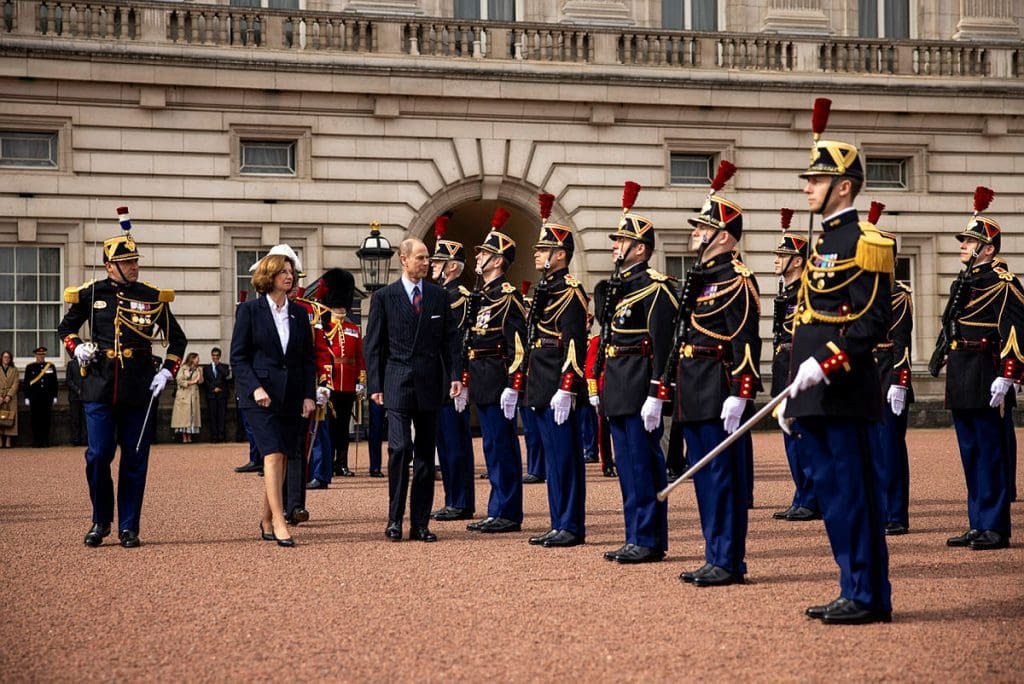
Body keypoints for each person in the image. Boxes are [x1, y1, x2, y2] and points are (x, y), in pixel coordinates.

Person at [778, 111, 894, 624]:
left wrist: (824, 365)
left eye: (817, 180)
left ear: (843, 186)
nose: (808, 187)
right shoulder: (822, 244)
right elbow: (808, 321)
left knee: (854, 496)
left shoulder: (866, 242)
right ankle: (851, 586)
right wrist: (791, 393)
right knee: (832, 497)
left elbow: (871, 322)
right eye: (808, 179)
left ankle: (868, 595)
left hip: (844, 391)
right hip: (815, 395)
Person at [57, 207, 187, 548]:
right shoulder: (92, 293)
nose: (133, 267)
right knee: (98, 455)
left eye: (135, 261)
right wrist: (77, 348)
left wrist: (167, 371)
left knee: (135, 458)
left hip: (139, 387)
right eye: (126, 262)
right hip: (99, 385)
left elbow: (178, 339)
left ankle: (129, 526)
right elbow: (65, 328)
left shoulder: (151, 296)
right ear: (108, 266)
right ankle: (101, 520)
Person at [659, 164, 762, 586]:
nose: (696, 233)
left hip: (718, 391)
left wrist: (741, 392)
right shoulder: (700, 280)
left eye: (703, 227)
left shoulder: (737, 280)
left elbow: (746, 342)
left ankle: (728, 560)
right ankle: (713, 553)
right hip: (693, 390)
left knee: (723, 478)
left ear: (722, 236)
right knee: (704, 478)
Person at [936, 189, 1023, 552]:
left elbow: (1016, 331)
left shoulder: (1004, 284)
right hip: (961, 373)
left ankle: (995, 527)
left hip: (987, 373)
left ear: (987, 248)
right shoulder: (964, 283)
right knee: (971, 453)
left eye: (970, 241)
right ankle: (978, 523)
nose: (963, 246)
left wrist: (1008, 374)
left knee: (990, 453)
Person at [597, 182, 678, 565]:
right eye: (616, 241)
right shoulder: (619, 288)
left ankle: (648, 539)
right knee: (627, 469)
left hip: (640, 386)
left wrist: (657, 394)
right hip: (617, 385)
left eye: (623, 241)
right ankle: (635, 534)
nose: (616, 246)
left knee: (644, 466)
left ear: (641, 249)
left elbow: (664, 348)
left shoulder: (656, 290)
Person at [365, 237, 463, 543]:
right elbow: (374, 344)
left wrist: (455, 375)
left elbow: (450, 340)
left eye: (427, 258)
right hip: (397, 381)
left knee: (424, 456)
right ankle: (394, 519)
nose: (426, 263)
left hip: (430, 382)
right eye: (420, 257)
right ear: (403, 259)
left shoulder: (438, 295)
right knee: (399, 448)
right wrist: (375, 385)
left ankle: (420, 523)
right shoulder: (384, 297)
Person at [231, 246, 315, 547]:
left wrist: (308, 395)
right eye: (283, 272)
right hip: (259, 396)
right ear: (269, 276)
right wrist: (255, 388)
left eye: (291, 272)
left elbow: (307, 359)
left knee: (284, 455)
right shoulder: (249, 311)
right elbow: (238, 357)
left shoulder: (299, 313)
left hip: (291, 394)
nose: (289, 276)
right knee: (273, 453)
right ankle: (280, 520)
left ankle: (267, 518)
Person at [520, 196, 589, 548]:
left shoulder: (571, 292)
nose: (536, 253)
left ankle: (571, 525)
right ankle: (558, 521)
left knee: (566, 459)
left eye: (543, 249)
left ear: (560, 254)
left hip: (558, 386)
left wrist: (567, 387)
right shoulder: (546, 289)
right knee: (552, 459)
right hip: (541, 382)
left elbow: (575, 344)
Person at [463, 214, 528, 534]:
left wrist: (513, 385)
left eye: (484, 254)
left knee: (502, 447)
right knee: (491, 447)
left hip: (498, 379)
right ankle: (496, 508)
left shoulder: (508, 297)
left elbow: (519, 347)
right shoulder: (483, 297)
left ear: (498, 260)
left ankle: (508, 511)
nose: (477, 258)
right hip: (482, 378)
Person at [768, 209, 820, 523]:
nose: (776, 260)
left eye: (782, 256)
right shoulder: (786, 292)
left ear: (797, 261)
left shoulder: (806, 292)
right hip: (783, 367)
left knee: (802, 435)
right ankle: (801, 494)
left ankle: (811, 498)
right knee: (790, 435)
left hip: (798, 370)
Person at [867, 209, 914, 536]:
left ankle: (895, 513)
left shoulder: (898, 296)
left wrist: (900, 382)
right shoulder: (864, 295)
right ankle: (876, 509)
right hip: (866, 380)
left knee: (889, 450)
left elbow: (902, 344)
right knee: (869, 450)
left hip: (888, 378)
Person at [427, 221, 476, 520]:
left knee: (455, 443)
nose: (433, 265)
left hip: (452, 379)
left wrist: (461, 377)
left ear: (453, 266)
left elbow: (458, 342)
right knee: (444, 444)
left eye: (439, 261)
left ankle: (460, 501)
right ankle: (453, 499)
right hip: (440, 377)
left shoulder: (459, 297)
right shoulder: (439, 294)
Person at [312, 268, 365, 487]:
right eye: (338, 306)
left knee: (344, 427)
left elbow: (359, 357)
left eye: (343, 306)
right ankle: (328, 463)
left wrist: (361, 380)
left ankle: (341, 463)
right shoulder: (324, 328)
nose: (341, 310)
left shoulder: (353, 328)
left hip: (349, 385)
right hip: (331, 384)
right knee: (330, 427)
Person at [24, 346, 58, 448]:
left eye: (42, 355)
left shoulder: (50, 366)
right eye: (39, 355)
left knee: (46, 419)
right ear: (36, 356)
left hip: (47, 397)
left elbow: (54, 382)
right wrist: (27, 397)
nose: (41, 357)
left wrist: (55, 396)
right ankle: (36, 441)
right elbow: (26, 383)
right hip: (34, 397)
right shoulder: (30, 367)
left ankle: (45, 441)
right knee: (35, 420)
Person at [171, 352, 203, 443]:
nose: (198, 360)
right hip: (184, 395)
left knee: (192, 415)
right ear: (192, 359)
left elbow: (200, 381)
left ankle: (190, 436)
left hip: (193, 395)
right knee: (184, 417)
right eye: (197, 358)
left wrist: (199, 374)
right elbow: (179, 380)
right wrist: (191, 382)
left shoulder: (198, 369)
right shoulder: (183, 368)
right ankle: (184, 436)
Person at [202, 347, 231, 443]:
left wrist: (218, 366)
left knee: (222, 416)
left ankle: (221, 436)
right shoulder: (206, 368)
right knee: (212, 417)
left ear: (219, 356)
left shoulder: (224, 366)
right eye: (214, 355)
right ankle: (214, 437)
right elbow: (206, 381)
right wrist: (213, 388)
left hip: (222, 395)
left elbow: (226, 375)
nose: (215, 357)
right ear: (211, 356)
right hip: (211, 395)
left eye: (217, 355)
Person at [66, 356, 87, 446]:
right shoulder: (71, 364)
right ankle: (75, 439)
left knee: (85, 419)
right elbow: (69, 380)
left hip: (86, 396)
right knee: (75, 419)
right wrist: (77, 390)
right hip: (74, 396)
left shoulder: (87, 363)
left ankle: (85, 439)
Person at [0, 351, 18, 448]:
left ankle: (8, 439)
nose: (6, 359)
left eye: (8, 357)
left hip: (11, 397)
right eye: (4, 357)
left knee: (10, 417)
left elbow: (16, 383)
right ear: (1, 358)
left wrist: (9, 395)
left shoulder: (14, 370)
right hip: (0, 396)